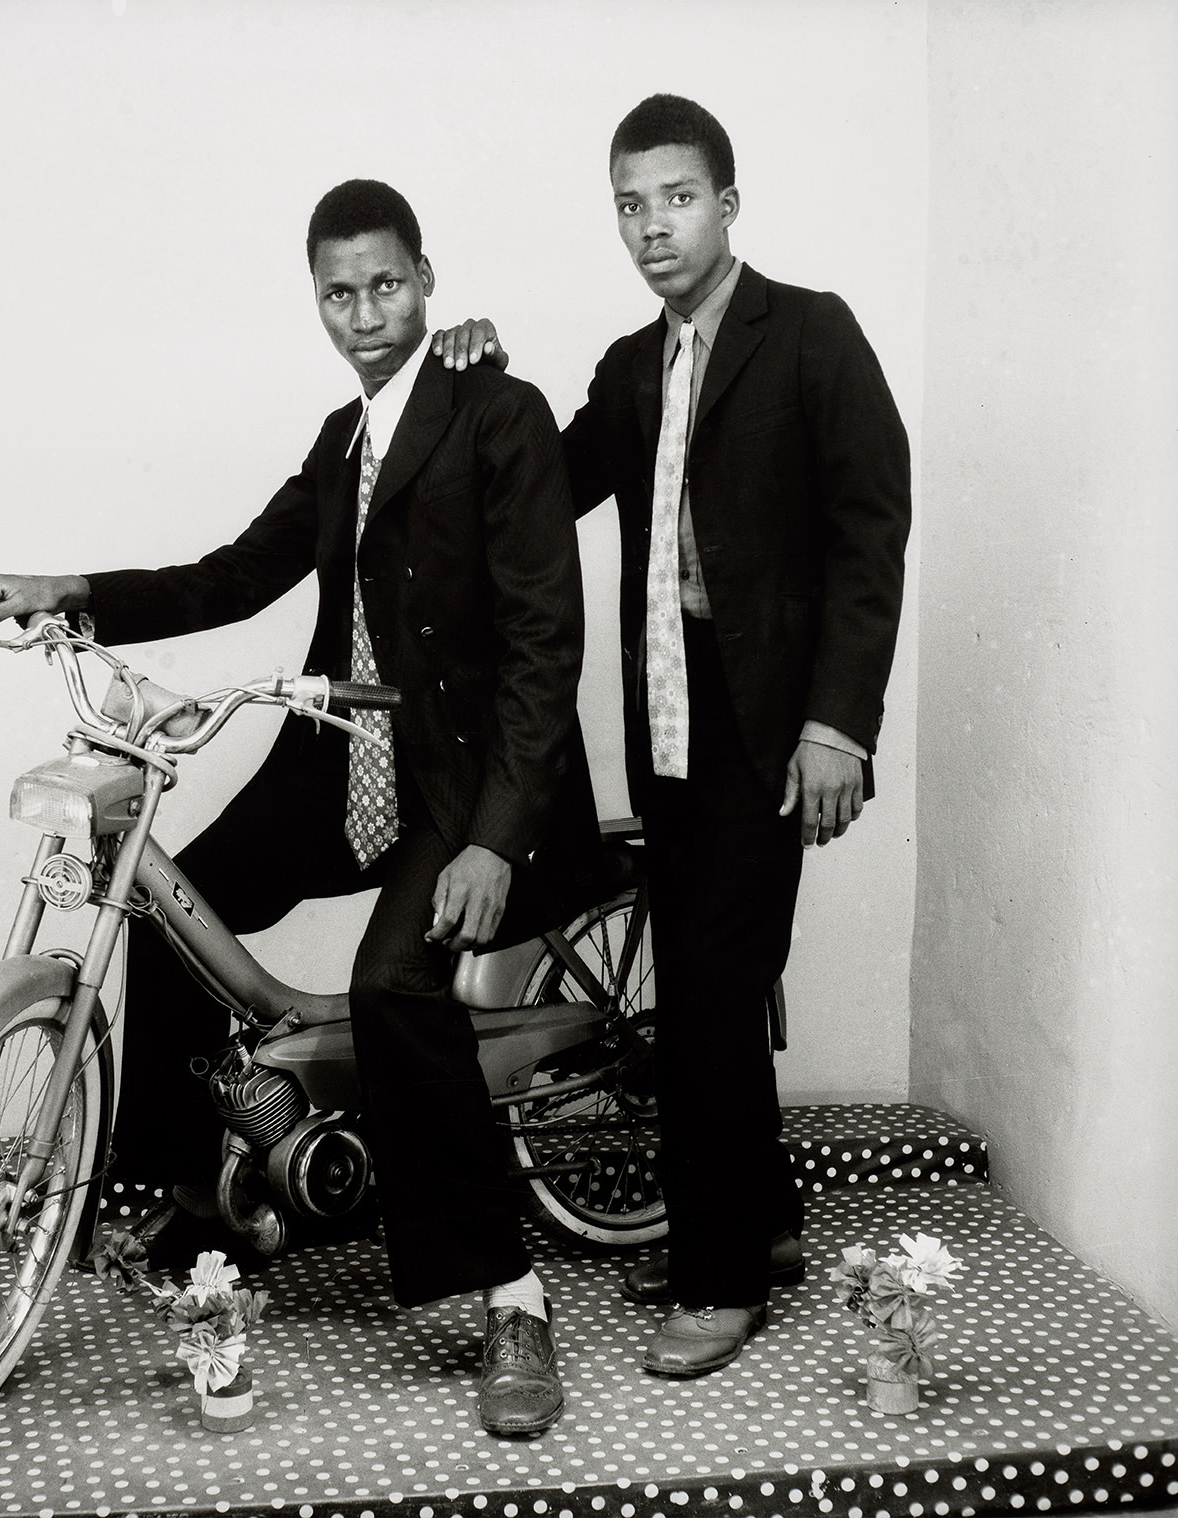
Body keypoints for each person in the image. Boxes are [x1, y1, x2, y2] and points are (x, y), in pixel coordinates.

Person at [0, 179, 601, 1437]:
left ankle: (511, 1297)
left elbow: (545, 647)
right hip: (346, 762)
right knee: (163, 911)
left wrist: (491, 837)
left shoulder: (500, 415)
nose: (365, 312)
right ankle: (206, 1207)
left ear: (428, 278)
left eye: (386, 284)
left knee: (391, 986)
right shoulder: (339, 442)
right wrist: (70, 589)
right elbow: (236, 575)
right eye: (338, 291)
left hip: (466, 779)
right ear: (314, 299)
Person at [433, 94, 911, 1378]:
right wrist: (474, 382)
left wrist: (838, 726)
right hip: (669, 724)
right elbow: (545, 481)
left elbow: (871, 537)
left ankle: (717, 1281)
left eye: (678, 198)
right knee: (708, 989)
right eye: (631, 205)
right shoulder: (630, 368)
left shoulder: (812, 337)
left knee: (702, 999)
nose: (654, 227)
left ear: (729, 203)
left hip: (776, 729)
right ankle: (761, 1224)